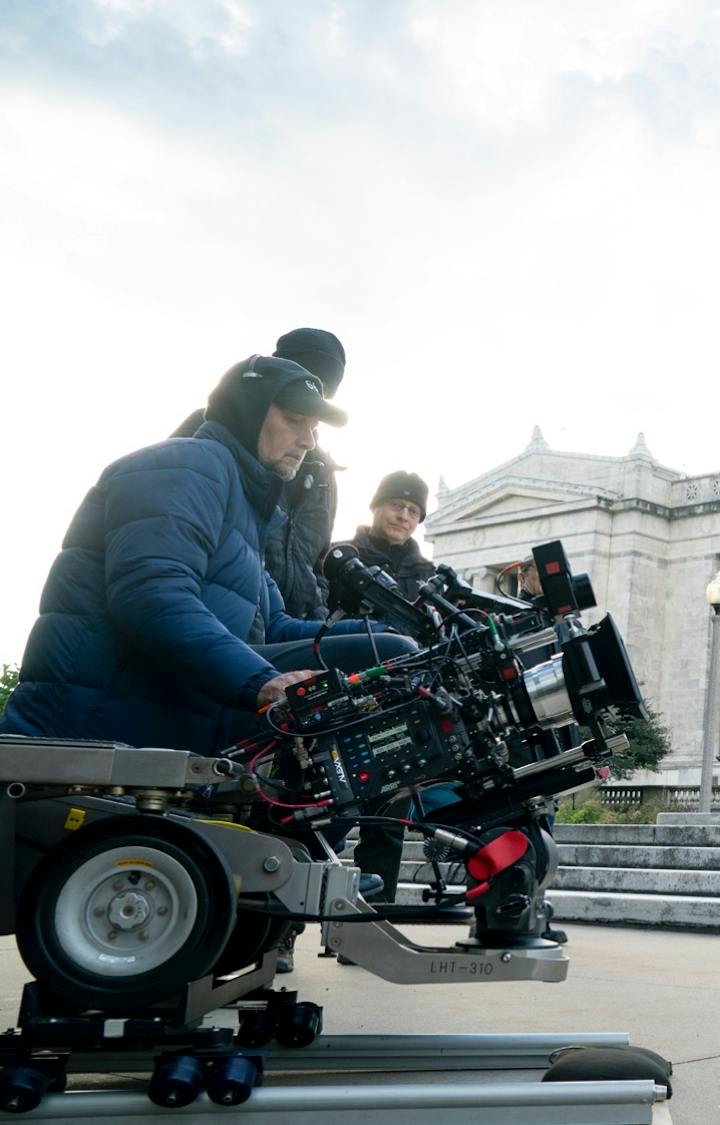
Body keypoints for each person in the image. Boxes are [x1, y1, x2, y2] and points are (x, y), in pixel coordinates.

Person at [2, 355, 411, 756]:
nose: (308, 441)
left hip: (178, 708)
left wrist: (391, 627)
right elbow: (152, 595)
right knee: (391, 659)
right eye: (294, 421)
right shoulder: (186, 465)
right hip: (93, 720)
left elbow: (273, 628)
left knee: (393, 653)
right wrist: (263, 683)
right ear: (248, 412)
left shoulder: (247, 511)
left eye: (314, 429)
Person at [173, 327, 348, 619]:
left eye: (321, 392)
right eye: (292, 412)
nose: (308, 395)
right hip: (225, 617)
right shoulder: (209, 435)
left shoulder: (323, 470)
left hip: (289, 623)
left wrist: (316, 614)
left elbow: (319, 559)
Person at [334, 472, 438, 910]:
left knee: (387, 821)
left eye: (413, 511)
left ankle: (371, 923)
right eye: (397, 504)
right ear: (376, 506)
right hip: (340, 701)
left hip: (398, 707)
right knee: (324, 813)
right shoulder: (340, 558)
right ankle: (282, 932)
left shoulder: (429, 576)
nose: (403, 515)